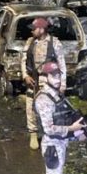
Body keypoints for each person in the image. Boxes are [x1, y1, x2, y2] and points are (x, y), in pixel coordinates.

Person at [34, 61, 87, 174]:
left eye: (58, 75)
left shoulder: (56, 95)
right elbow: (49, 129)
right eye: (53, 75)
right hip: (52, 145)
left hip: (60, 142)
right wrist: (72, 129)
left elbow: (63, 118)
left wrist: (78, 133)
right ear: (45, 77)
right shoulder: (44, 99)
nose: (57, 79)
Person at [21, 17, 66, 150]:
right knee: (31, 108)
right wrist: (25, 76)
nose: (32, 32)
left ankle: (49, 133)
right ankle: (33, 134)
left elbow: (62, 66)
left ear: (41, 29)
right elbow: (23, 60)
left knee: (50, 109)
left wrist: (62, 85)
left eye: (34, 29)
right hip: (33, 80)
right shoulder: (30, 42)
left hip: (49, 82)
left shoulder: (55, 43)